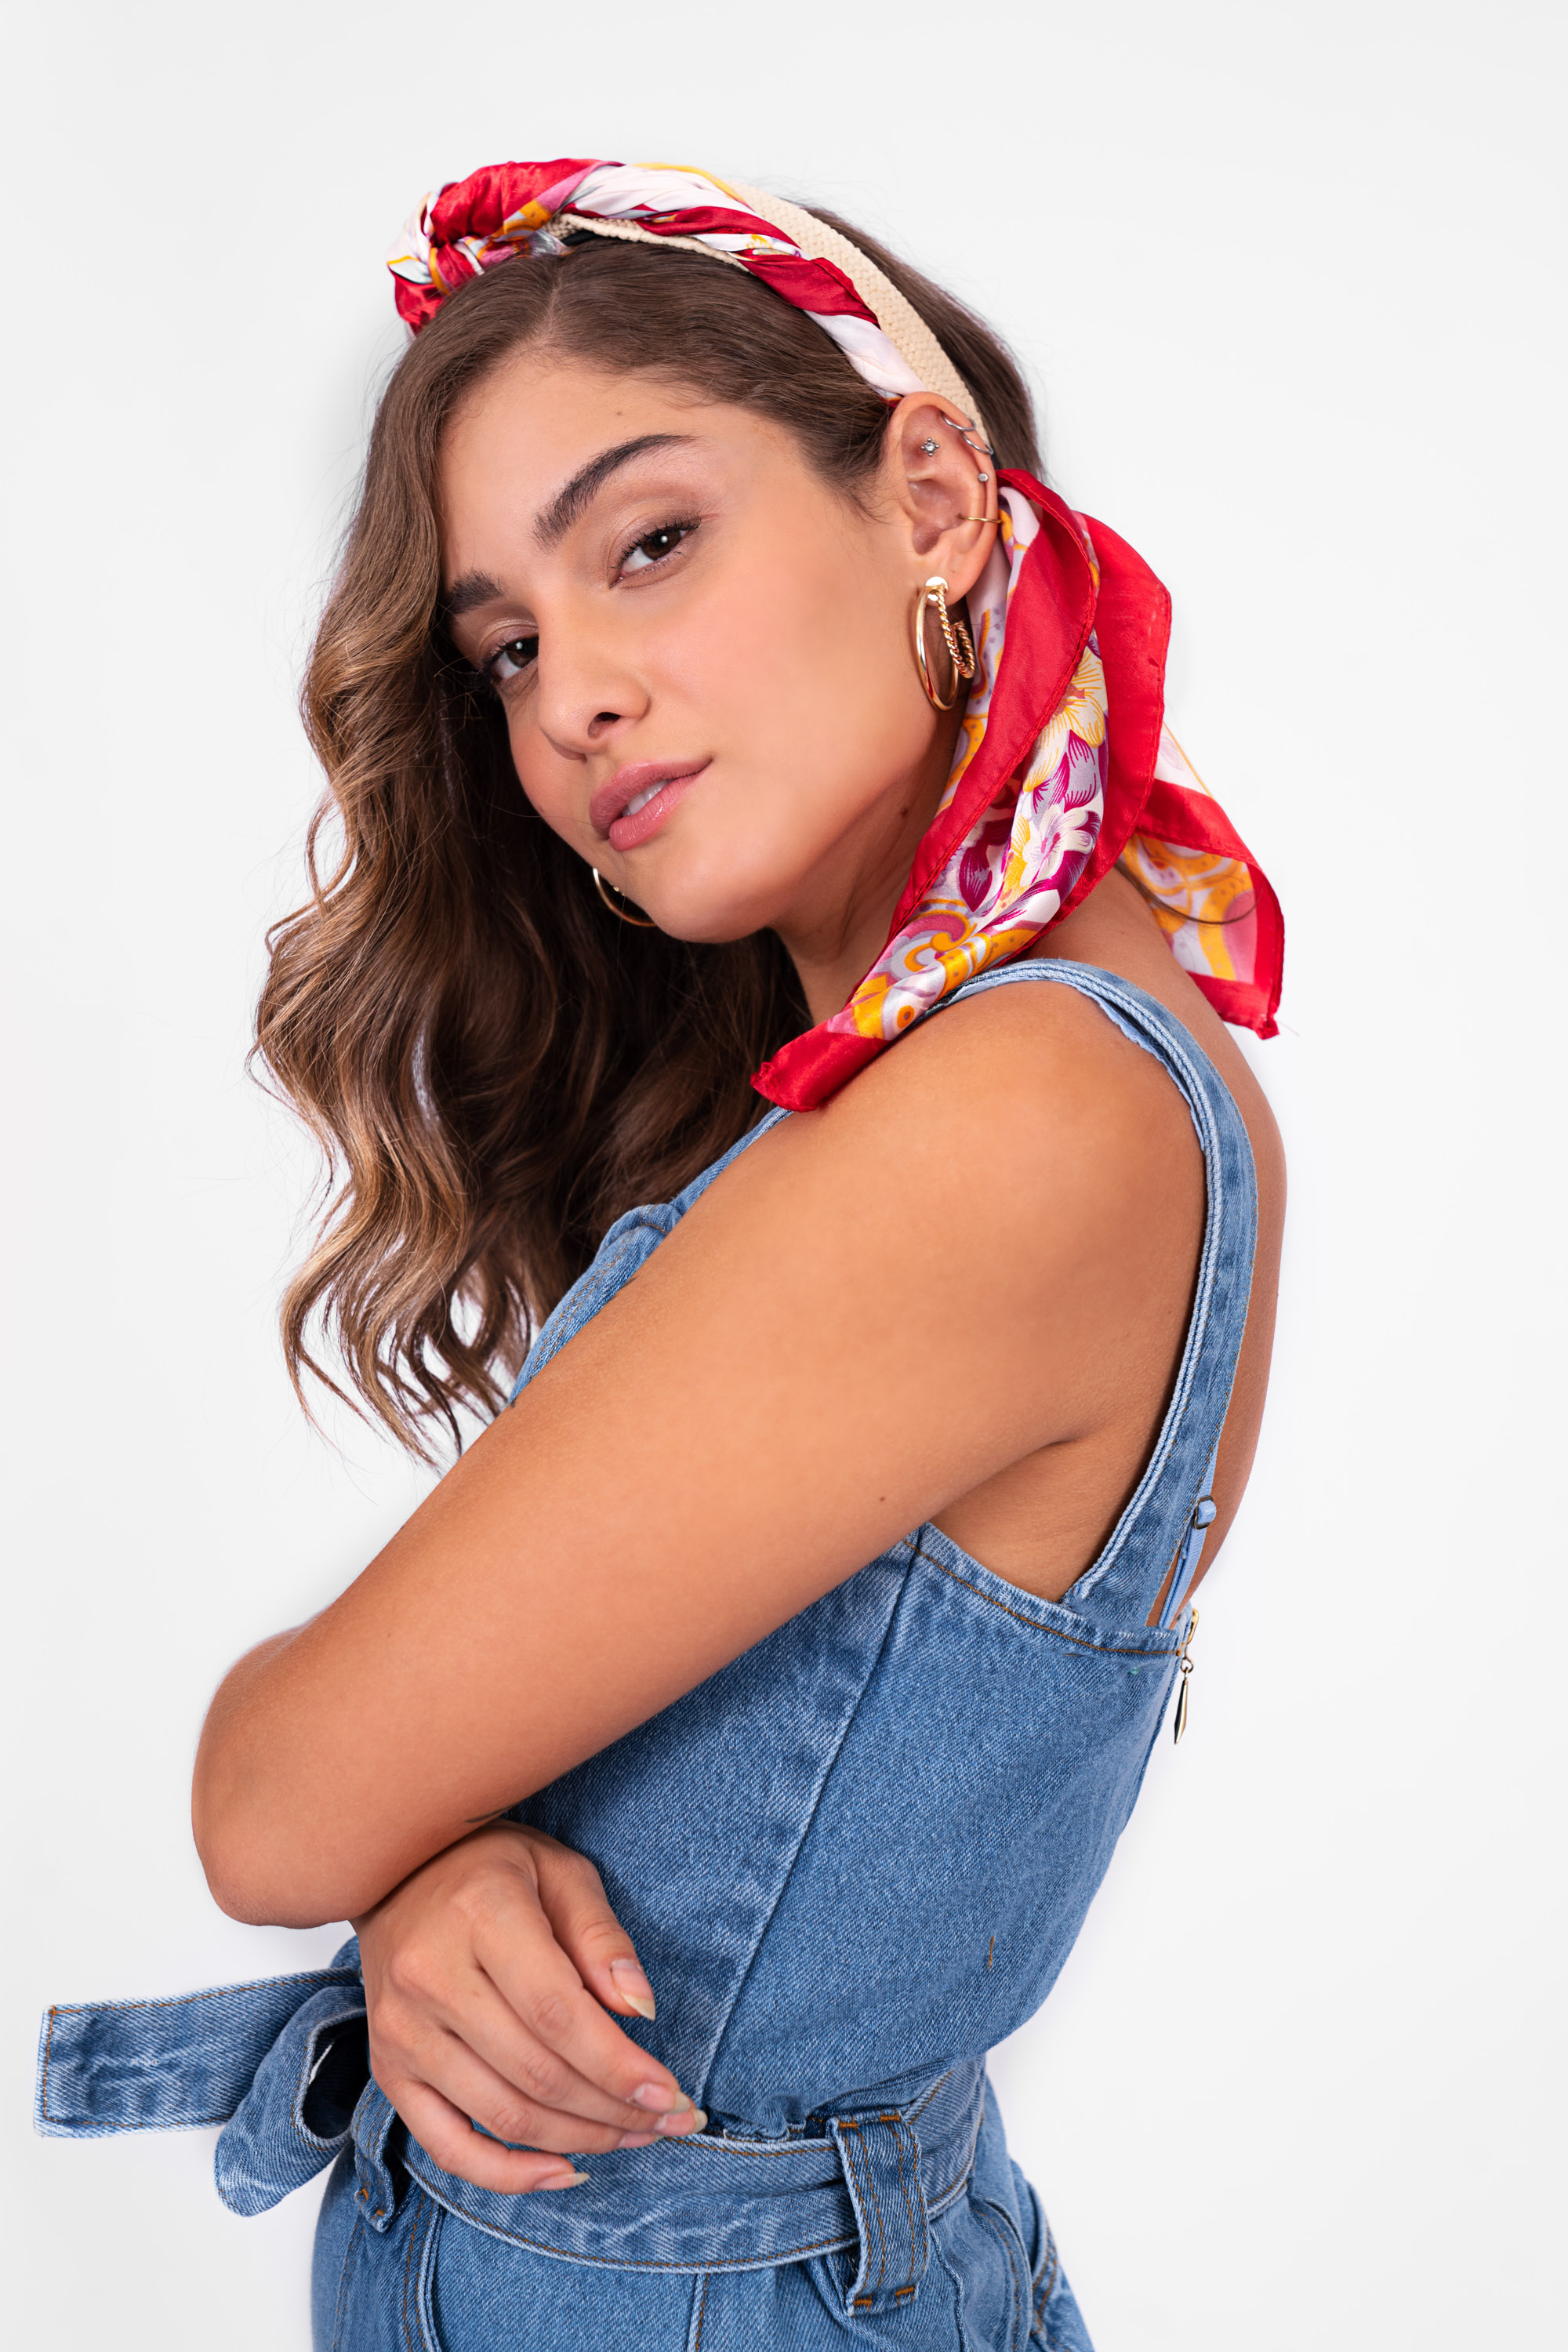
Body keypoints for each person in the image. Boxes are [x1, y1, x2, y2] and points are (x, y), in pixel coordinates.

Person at [35, 159, 1286, 2350]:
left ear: (930, 499)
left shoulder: (1023, 1110)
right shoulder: (967, 1082)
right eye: (509, 648)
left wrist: (382, 1833)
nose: (572, 698)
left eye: (649, 543)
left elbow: (270, 1800)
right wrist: (437, 1870)